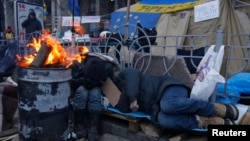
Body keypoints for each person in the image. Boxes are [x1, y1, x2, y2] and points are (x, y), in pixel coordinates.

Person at [110, 67, 239, 131]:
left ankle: (215, 109)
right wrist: (115, 96)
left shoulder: (124, 74)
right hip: (156, 108)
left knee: (168, 104)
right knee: (163, 120)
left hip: (166, 88)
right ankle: (203, 121)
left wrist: (133, 98)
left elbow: (133, 75)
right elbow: (124, 109)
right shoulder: (115, 95)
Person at [69, 52, 119, 141]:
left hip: (97, 88)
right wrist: (83, 81)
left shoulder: (107, 69)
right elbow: (72, 82)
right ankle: (79, 124)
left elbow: (109, 88)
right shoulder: (81, 64)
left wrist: (96, 83)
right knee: (82, 91)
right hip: (82, 87)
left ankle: (94, 127)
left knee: (95, 93)